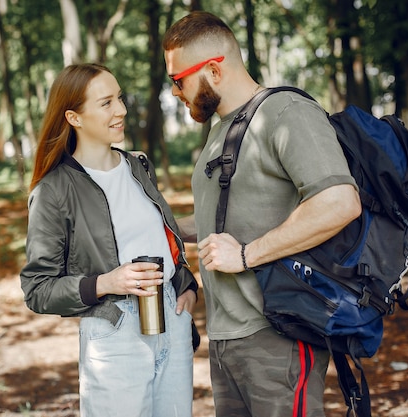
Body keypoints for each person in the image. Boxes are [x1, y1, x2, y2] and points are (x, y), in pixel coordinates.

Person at [162, 11, 362, 417]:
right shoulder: (222, 130)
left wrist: (247, 255)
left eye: (177, 80)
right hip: (226, 336)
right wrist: (157, 221)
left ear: (214, 70)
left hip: (279, 334)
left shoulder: (286, 112)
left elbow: (341, 202)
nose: (174, 93)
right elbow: (219, 223)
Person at [20, 63, 198, 417]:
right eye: (106, 103)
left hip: (172, 321)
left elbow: (164, 235)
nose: (121, 110)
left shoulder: (139, 166)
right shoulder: (53, 190)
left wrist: (185, 282)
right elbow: (37, 289)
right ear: (74, 117)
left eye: (119, 98)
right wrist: (106, 282)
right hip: (115, 330)